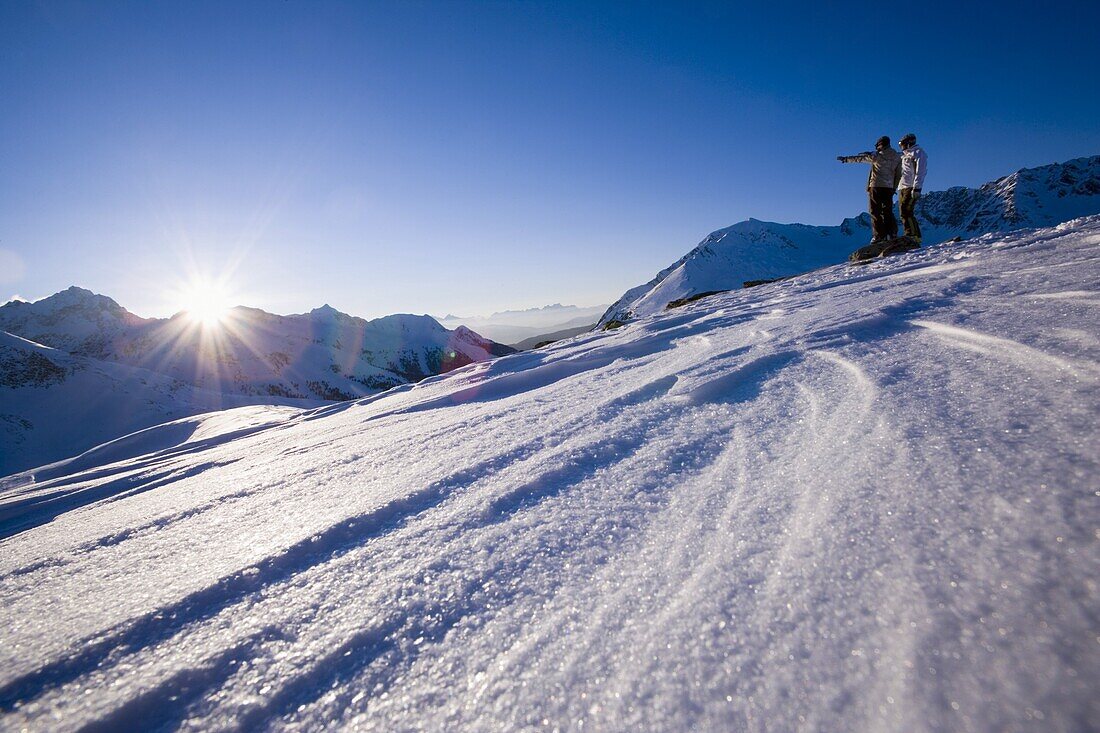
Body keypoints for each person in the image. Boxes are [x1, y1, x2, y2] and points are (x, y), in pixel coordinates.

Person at [838, 136, 902, 243]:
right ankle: (892, 234)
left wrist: (846, 159)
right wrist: (894, 187)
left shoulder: (876, 156)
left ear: (880, 145)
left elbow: (860, 159)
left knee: (875, 211)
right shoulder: (896, 157)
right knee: (887, 211)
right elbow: (899, 174)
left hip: (876, 186)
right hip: (889, 187)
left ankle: (879, 236)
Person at [897, 133, 928, 243]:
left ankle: (913, 235)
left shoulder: (918, 153)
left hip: (911, 187)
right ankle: (911, 234)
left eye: (902, 144)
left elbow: (921, 171)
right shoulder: (904, 155)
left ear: (909, 143)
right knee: (903, 212)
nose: (901, 146)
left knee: (906, 211)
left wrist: (917, 188)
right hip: (902, 187)